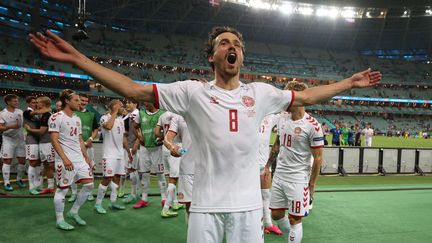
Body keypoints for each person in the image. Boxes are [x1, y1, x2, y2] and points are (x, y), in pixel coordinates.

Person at [30, 27, 381, 243]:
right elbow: (134, 89)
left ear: (241, 56)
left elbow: (305, 96)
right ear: (212, 56)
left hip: (246, 210)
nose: (233, 47)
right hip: (206, 206)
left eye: (238, 44)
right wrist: (79, 59)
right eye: (224, 43)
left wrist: (349, 83)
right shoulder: (192, 92)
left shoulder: (261, 94)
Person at [264, 81, 324, 243]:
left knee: (295, 219)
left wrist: (311, 185)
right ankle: (294, 237)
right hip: (279, 175)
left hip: (298, 179)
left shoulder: (313, 126)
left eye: (289, 96)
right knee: (276, 214)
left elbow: (318, 158)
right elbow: (278, 143)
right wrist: (268, 166)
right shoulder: (283, 118)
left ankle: (294, 238)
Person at [49, 89, 94, 230]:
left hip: (79, 159)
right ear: (67, 101)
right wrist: (64, 159)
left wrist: (86, 157)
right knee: (62, 189)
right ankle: (59, 219)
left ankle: (73, 212)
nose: (79, 102)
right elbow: (54, 140)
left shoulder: (77, 118)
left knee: (89, 185)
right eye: (76, 100)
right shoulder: (56, 117)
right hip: (65, 160)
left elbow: (80, 139)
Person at [94, 99, 130, 214]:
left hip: (120, 154)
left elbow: (123, 137)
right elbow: (108, 127)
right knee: (107, 178)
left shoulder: (120, 120)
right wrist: (114, 112)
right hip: (109, 154)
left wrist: (128, 152)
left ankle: (113, 202)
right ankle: (98, 204)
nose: (123, 107)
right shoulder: (104, 118)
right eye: (120, 106)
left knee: (117, 177)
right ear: (114, 107)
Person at [132, 102, 167, 209]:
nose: (145, 103)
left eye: (147, 101)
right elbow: (134, 126)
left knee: (160, 174)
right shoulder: (141, 113)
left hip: (158, 148)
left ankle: (164, 199)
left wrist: (162, 138)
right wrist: (139, 136)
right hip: (144, 148)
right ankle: (144, 199)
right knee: (145, 174)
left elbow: (168, 129)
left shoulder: (162, 113)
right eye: (144, 102)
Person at [163, 114, 196, 220]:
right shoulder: (178, 117)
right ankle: (192, 235)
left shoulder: (209, 107)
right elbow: (167, 139)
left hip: (210, 167)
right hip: (188, 167)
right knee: (190, 207)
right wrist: (172, 147)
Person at [69, 93, 99, 202]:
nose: (83, 103)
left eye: (86, 101)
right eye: (81, 100)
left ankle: (89, 193)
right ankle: (74, 193)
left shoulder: (91, 114)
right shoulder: (72, 113)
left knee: (89, 168)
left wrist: (91, 138)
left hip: (88, 146)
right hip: (74, 148)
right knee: (73, 170)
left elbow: (96, 129)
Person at [155, 110, 185, 217]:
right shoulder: (179, 115)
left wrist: (164, 137)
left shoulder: (162, 115)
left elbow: (156, 132)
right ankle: (166, 208)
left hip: (165, 148)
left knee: (170, 176)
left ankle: (175, 202)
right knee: (174, 179)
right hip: (176, 148)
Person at [257, 114, 283, 235]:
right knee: (246, 195)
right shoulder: (245, 111)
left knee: (266, 194)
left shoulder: (270, 117)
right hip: (246, 165)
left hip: (263, 164)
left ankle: (268, 223)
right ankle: (255, 224)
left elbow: (288, 111)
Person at [25, 96, 56, 194]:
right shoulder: (42, 114)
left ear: (43, 104)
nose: (36, 104)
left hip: (48, 142)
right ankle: (49, 186)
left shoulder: (47, 115)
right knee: (46, 165)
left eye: (38, 102)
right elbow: (30, 114)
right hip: (42, 143)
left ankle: (61, 184)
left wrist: (29, 130)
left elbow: (42, 131)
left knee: (52, 165)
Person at [0, 94, 26, 191]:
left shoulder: (20, 112)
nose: (17, 102)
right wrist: (11, 126)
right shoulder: (2, 113)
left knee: (22, 160)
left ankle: (19, 179)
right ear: (8, 102)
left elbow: (23, 124)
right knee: (7, 161)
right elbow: (0, 128)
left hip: (20, 139)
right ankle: (7, 183)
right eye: (15, 101)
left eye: (17, 101)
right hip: (8, 140)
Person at [122, 99, 141, 204]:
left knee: (132, 170)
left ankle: (134, 194)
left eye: (129, 102)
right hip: (128, 146)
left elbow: (139, 131)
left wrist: (135, 145)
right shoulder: (129, 115)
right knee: (132, 170)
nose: (127, 104)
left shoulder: (136, 115)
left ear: (135, 103)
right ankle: (135, 193)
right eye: (127, 102)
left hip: (133, 147)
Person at [23, 96, 42, 194]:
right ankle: (31, 186)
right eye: (33, 102)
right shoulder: (27, 112)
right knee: (33, 162)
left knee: (38, 162)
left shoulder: (38, 114)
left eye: (36, 102)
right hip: (31, 139)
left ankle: (37, 185)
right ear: (29, 103)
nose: (35, 104)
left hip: (39, 139)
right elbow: (31, 114)